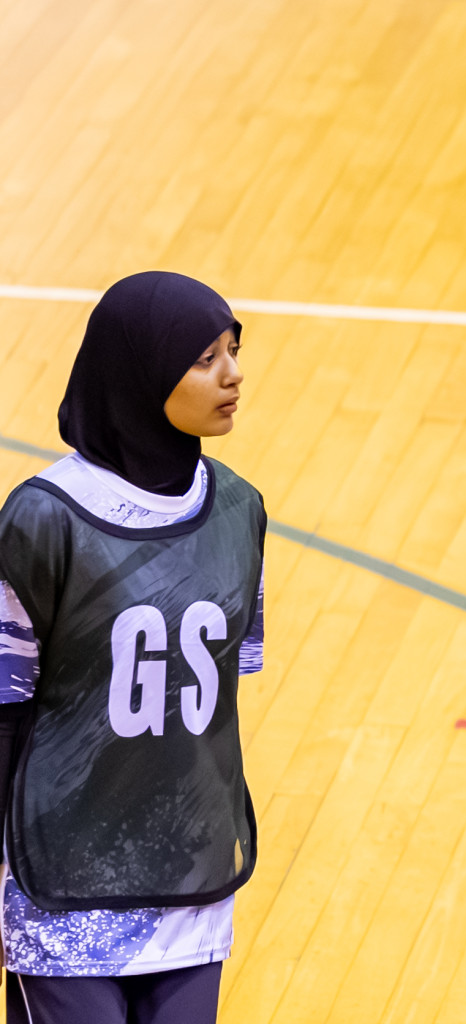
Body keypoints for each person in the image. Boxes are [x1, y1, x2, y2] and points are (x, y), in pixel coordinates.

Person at [0, 272, 265, 1024]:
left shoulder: (240, 510)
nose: (233, 373)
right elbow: (3, 711)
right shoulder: (42, 519)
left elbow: (215, 705)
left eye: (234, 350)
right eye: (205, 357)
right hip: (63, 888)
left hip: (190, 885)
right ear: (141, 375)